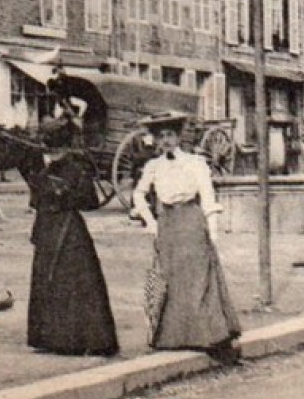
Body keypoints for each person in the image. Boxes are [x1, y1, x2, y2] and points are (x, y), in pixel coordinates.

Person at [132, 111, 242, 365]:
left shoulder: (195, 162)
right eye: (161, 137)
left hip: (192, 220)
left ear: (180, 136)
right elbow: (138, 195)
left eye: (170, 135)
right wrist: (152, 224)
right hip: (168, 224)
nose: (166, 141)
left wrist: (212, 232)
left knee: (199, 277)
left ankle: (211, 336)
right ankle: (173, 336)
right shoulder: (153, 166)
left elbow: (207, 196)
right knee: (170, 278)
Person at [21, 150, 119, 357]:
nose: (51, 154)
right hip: (48, 226)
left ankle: (75, 339)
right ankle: (50, 338)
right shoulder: (43, 170)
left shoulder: (76, 169)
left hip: (68, 228)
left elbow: (90, 202)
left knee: (72, 280)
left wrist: (64, 195)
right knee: (51, 278)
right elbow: (35, 202)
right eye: (49, 149)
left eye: (54, 149)